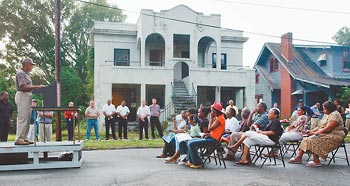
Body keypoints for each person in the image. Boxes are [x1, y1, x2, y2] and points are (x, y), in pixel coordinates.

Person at [289, 101, 345, 167]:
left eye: (325, 109)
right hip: (325, 134)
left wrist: (314, 133)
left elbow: (327, 129)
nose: (323, 111)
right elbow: (320, 126)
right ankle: (299, 157)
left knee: (313, 139)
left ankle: (316, 161)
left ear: (329, 109)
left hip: (334, 135)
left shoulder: (335, 115)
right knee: (306, 138)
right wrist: (310, 131)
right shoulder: (327, 114)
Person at [186, 102, 225, 169]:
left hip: (213, 140)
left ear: (215, 111)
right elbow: (214, 131)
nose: (211, 111)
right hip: (211, 137)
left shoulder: (219, 119)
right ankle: (191, 160)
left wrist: (211, 118)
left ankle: (198, 163)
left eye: (212, 110)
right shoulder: (218, 117)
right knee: (190, 141)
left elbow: (209, 128)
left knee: (192, 144)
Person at [14, 58, 45, 145]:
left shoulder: (26, 74)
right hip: (22, 95)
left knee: (27, 118)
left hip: (27, 95)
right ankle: (19, 138)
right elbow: (22, 87)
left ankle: (24, 137)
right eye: (31, 64)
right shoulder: (21, 73)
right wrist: (37, 87)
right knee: (23, 117)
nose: (32, 66)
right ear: (26, 64)